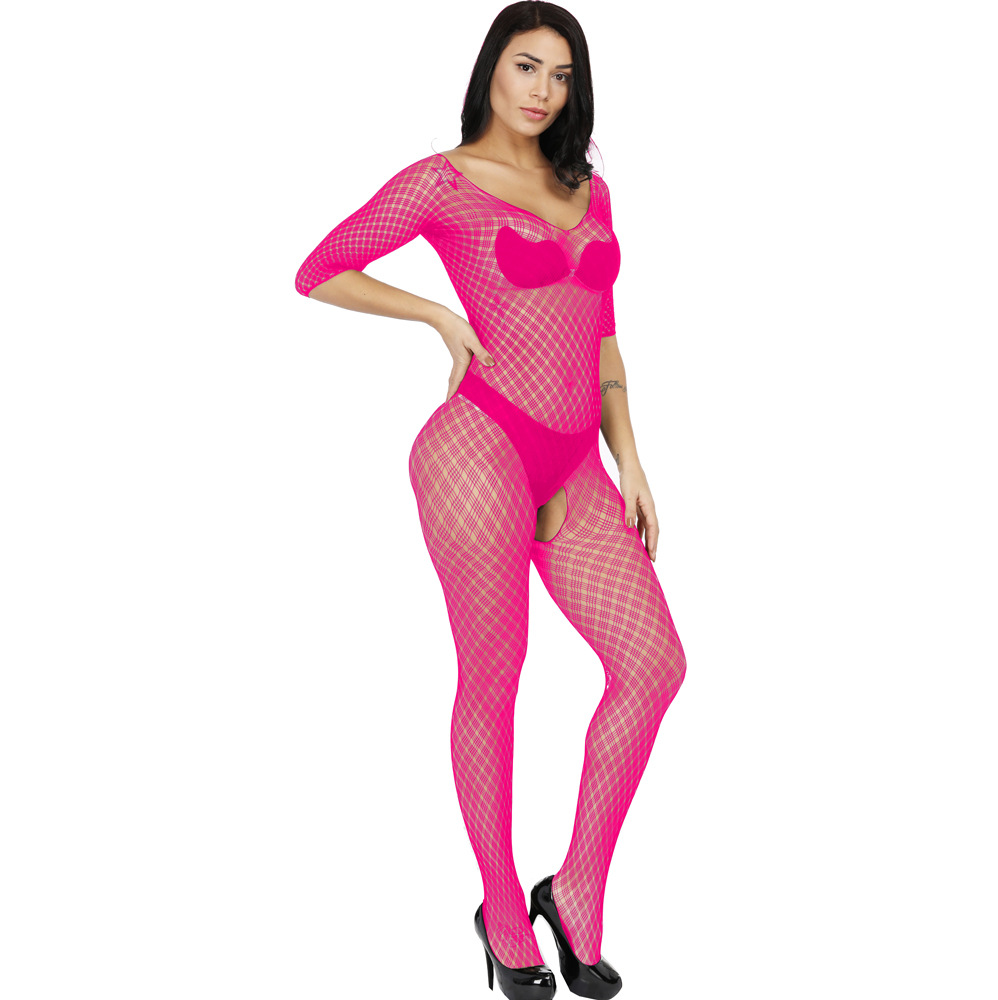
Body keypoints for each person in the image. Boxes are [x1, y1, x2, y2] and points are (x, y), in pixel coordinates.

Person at [294, 4, 686, 997]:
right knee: (494, 675)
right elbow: (319, 270)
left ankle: (577, 888)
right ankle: (502, 909)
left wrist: (631, 457)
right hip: (480, 447)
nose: (542, 91)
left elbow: (602, 333)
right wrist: (433, 313)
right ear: (491, 71)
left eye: (561, 74)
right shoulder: (443, 182)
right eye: (526, 67)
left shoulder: (587, 188)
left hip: (576, 459)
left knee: (653, 666)